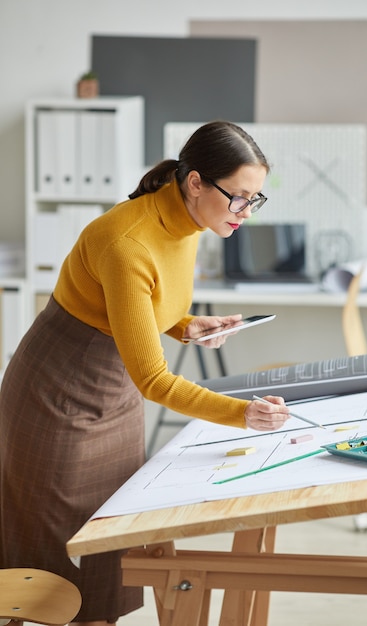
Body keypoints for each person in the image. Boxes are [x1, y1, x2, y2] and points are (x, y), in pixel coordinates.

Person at [0, 120, 290, 625]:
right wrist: (243, 413)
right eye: (239, 197)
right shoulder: (126, 240)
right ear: (196, 182)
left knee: (113, 539)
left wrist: (186, 326)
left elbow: (143, 309)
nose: (245, 212)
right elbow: (153, 380)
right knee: (55, 554)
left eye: (255, 199)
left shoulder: (194, 221)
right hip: (57, 396)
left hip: (114, 391)